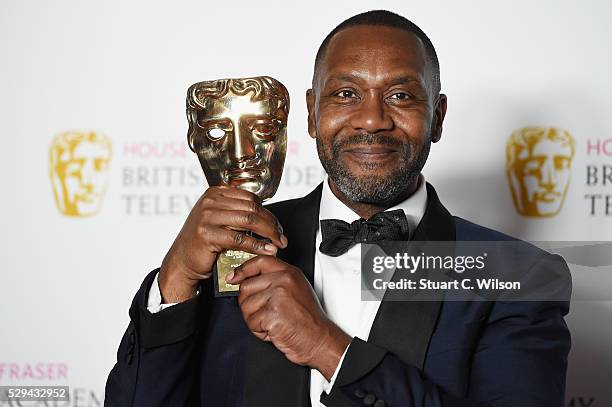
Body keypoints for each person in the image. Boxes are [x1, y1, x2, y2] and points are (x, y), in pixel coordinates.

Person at [105, 10, 571, 407]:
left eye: (401, 95)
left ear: (439, 118)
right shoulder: (227, 247)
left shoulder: (519, 277)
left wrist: (328, 348)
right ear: (310, 114)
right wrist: (177, 279)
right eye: (346, 94)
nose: (372, 119)